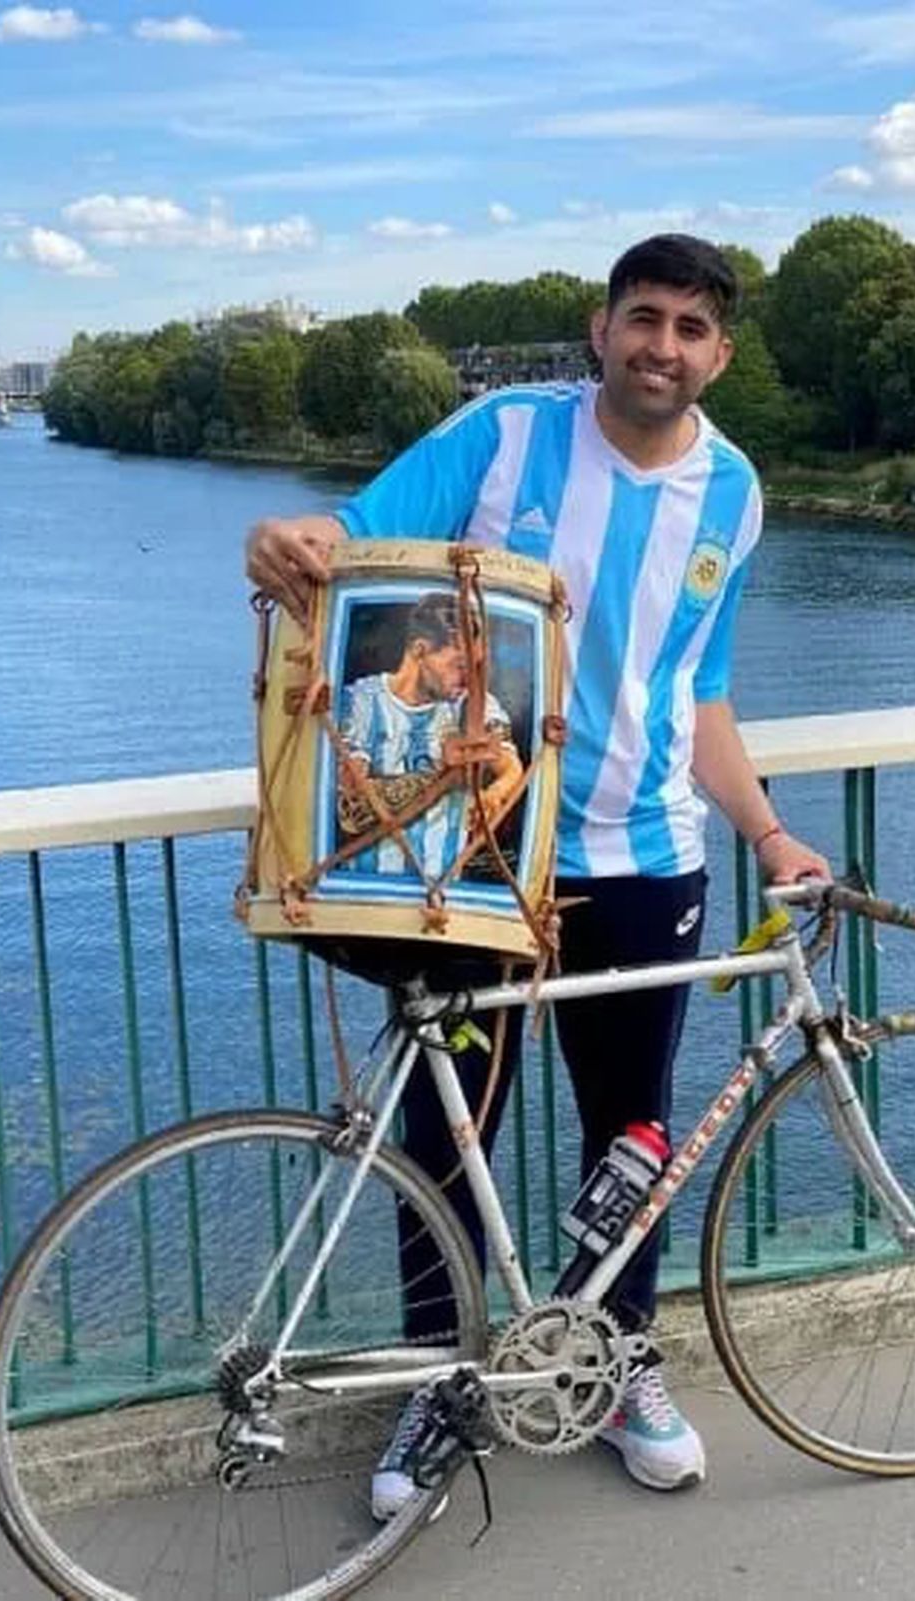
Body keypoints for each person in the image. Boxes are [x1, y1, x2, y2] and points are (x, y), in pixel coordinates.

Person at [247, 232, 829, 1515]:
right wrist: (284, 538)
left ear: (720, 354)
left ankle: (616, 1360)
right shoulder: (506, 434)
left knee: (634, 1136)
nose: (662, 345)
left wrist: (767, 832)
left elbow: (700, 689)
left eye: (690, 327)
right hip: (479, 866)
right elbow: (353, 538)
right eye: (644, 317)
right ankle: (439, 1377)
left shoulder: (734, 491)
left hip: (648, 859)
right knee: (444, 1137)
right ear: (600, 327)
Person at [336, 591, 522, 878]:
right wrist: (442, 775)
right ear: (420, 651)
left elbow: (510, 767)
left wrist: (494, 794)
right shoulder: (361, 701)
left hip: (445, 891)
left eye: (474, 667)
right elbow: (353, 808)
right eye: (460, 666)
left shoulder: (472, 705)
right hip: (364, 888)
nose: (468, 678)